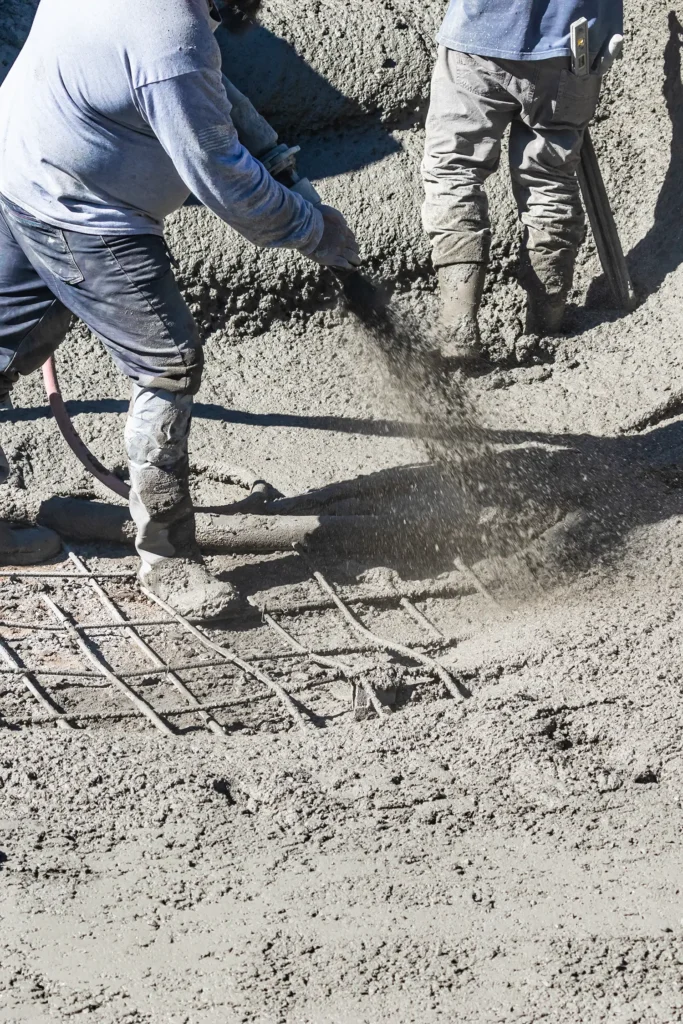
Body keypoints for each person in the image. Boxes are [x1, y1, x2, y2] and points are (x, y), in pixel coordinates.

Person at [0, 0, 359, 613]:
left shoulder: (170, 24)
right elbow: (222, 178)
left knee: (7, 340)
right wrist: (311, 227)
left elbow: (212, 85)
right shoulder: (170, 37)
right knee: (168, 361)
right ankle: (169, 560)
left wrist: (276, 156)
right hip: (85, 210)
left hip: (20, 158)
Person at [422, 0, 624, 363]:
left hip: (481, 32)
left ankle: (458, 333)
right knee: (550, 179)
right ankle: (546, 327)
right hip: (573, 45)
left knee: (454, 170)